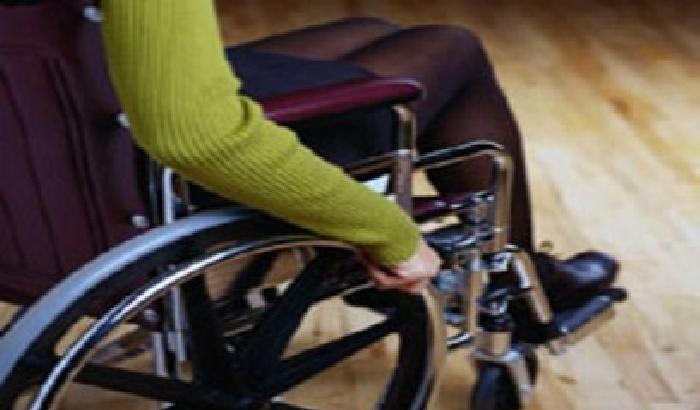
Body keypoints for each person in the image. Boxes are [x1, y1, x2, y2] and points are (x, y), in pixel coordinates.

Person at [101, 1, 617, 307]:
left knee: (372, 33)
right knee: (452, 48)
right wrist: (387, 232)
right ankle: (520, 284)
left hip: (89, 132)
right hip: (150, 170)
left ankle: (517, 271)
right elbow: (195, 139)